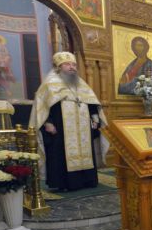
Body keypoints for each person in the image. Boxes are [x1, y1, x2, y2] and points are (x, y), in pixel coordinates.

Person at [30, 52, 107, 191]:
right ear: (58, 67)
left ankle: (87, 180)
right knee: (61, 153)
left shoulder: (81, 83)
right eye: (67, 64)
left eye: (74, 65)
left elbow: (91, 102)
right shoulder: (49, 84)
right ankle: (66, 184)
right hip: (60, 126)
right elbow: (43, 106)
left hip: (83, 127)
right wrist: (48, 122)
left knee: (86, 151)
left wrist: (95, 118)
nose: (72, 67)